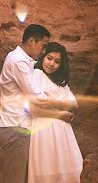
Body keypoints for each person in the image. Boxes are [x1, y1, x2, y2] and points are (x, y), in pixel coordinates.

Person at [0, 24, 74, 183]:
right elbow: (36, 98)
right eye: (43, 46)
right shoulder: (19, 61)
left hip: (18, 127)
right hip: (15, 128)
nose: (43, 51)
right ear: (31, 41)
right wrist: (61, 108)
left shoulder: (25, 62)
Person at [27, 42, 83, 183]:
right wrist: (61, 113)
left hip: (64, 133)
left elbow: (75, 105)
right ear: (43, 57)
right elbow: (33, 110)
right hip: (44, 131)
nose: (51, 64)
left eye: (57, 61)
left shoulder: (61, 83)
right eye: (49, 58)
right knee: (48, 168)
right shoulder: (36, 75)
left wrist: (54, 103)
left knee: (70, 169)